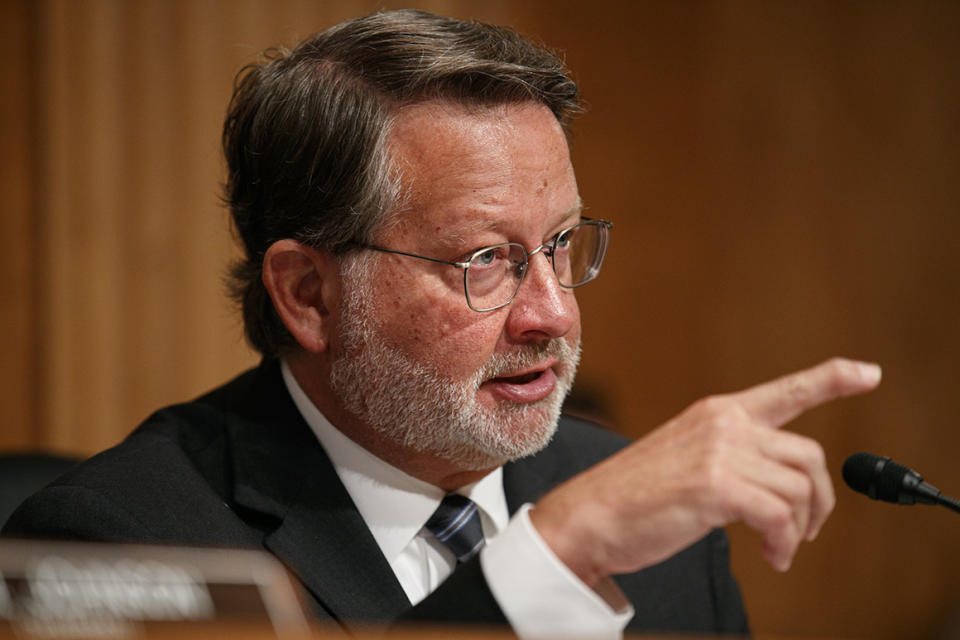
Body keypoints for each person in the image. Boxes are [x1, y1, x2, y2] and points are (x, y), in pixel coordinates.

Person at [3, 9, 881, 638]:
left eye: (562, 245)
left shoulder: (658, 524)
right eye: (485, 261)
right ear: (308, 293)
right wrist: (553, 556)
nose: (553, 313)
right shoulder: (117, 545)